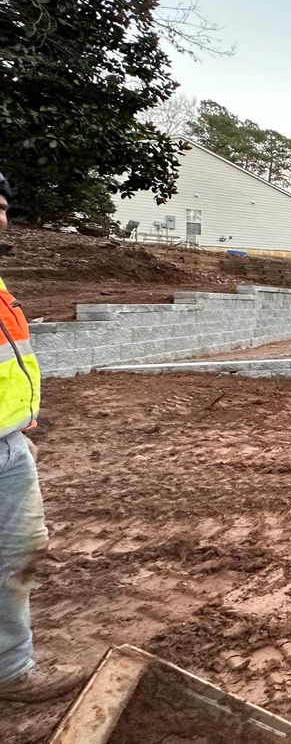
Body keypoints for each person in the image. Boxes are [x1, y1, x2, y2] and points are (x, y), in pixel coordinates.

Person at [0, 172, 85, 702]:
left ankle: (11, 669)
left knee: (17, 556)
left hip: (9, 447)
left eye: (3, 206)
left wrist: (17, 431)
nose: (0, 216)